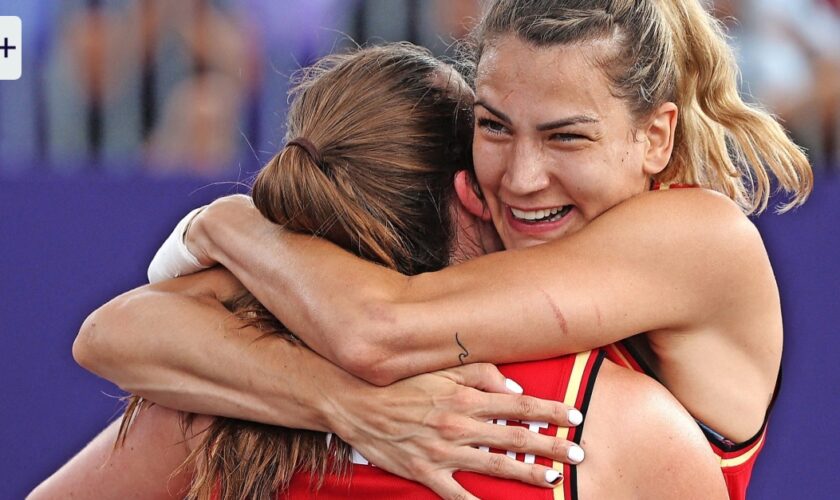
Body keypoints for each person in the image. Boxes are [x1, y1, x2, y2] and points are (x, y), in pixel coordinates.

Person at [98, 1, 811, 498]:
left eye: (567, 136)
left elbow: (376, 331)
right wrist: (339, 403)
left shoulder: (700, 239)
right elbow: (115, 334)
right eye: (496, 126)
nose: (522, 177)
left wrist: (226, 223)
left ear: (656, 136)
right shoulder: (477, 251)